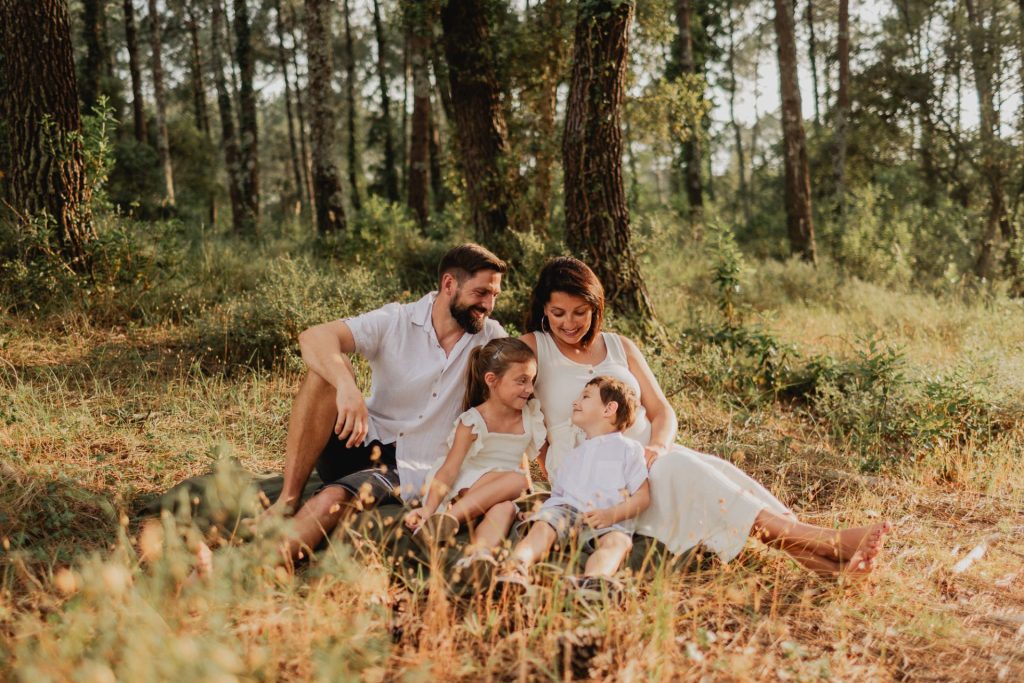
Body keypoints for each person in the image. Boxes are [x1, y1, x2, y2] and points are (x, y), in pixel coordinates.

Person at [519, 257, 889, 576]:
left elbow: (662, 410)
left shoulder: (619, 345)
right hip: (596, 471)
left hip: (647, 453)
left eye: (580, 312)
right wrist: (538, 471)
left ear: (595, 307)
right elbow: (511, 411)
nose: (570, 323)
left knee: (715, 472)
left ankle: (826, 565)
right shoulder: (535, 346)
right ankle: (825, 540)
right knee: (682, 473)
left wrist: (659, 447)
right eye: (558, 313)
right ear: (543, 310)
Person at [262, 243, 508, 567]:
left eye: (494, 296)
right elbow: (314, 337)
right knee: (324, 375)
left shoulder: (491, 338)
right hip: (359, 437)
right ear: (449, 284)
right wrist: (347, 386)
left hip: (409, 467)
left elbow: (525, 378)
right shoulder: (397, 320)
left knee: (330, 500)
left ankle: (253, 569)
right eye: (481, 293)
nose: (488, 305)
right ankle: (288, 498)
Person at [403, 338, 545, 567]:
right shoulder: (473, 421)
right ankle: (447, 519)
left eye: (532, 381)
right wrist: (428, 508)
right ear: (492, 380)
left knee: (506, 507)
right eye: (521, 381)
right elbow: (449, 469)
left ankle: (478, 557)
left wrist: (539, 492)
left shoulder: (530, 416)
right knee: (518, 480)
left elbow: (533, 459)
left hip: (502, 492)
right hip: (466, 485)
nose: (529, 389)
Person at [501, 376, 651, 588]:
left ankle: (593, 582)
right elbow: (558, 496)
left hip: (605, 517)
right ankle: (515, 568)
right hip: (566, 511)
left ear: (609, 409)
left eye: (585, 397)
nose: (575, 402)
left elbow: (643, 496)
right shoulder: (573, 454)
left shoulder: (629, 449)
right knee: (542, 527)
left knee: (619, 542)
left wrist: (612, 515)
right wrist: (541, 512)